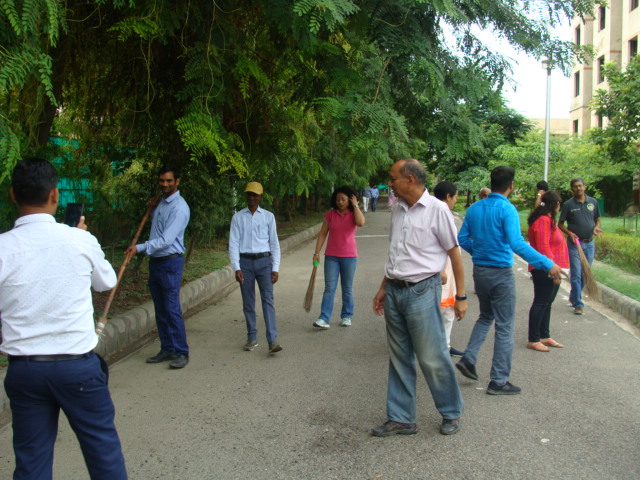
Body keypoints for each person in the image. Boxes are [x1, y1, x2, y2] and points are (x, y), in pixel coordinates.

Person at [0, 158, 127, 479]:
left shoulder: (2, 248)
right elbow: (107, 283)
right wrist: (80, 238)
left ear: (13, 195)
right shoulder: (79, 240)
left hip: (25, 371)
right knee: (103, 452)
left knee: (31, 462)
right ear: (55, 195)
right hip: (78, 369)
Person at [372, 159, 467, 437]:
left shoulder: (438, 210)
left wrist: (461, 296)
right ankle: (402, 418)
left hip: (423, 291)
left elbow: (455, 255)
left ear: (410, 179)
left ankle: (451, 412)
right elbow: (396, 254)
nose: (390, 183)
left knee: (432, 355)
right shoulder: (398, 210)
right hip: (395, 291)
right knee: (399, 356)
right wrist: (383, 287)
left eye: (393, 178)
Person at [456, 166, 564, 395]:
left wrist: (479, 251)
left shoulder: (475, 208)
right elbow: (517, 243)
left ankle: (469, 358)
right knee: (505, 326)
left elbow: (462, 238)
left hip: (481, 271)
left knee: (486, 316)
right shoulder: (507, 209)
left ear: (492, 182)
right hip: (501, 274)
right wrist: (547, 263)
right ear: (511, 185)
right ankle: (498, 380)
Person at [125, 166, 191, 369]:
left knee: (171, 309)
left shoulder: (179, 208)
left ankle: (181, 351)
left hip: (170, 262)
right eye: (162, 181)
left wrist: (139, 247)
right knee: (161, 309)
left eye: (169, 181)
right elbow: (159, 228)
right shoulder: (162, 203)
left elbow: (166, 240)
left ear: (177, 181)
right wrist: (152, 208)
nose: (165, 184)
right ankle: (167, 348)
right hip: (157, 262)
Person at [229, 182, 282, 353]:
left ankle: (272, 340)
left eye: (255, 195)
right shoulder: (238, 217)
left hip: (264, 262)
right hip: (245, 263)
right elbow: (234, 243)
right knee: (248, 302)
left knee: (268, 300)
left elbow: (274, 243)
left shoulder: (268, 217)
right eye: (249, 194)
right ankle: (251, 337)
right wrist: (236, 267)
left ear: (260, 197)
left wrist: (275, 267)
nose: (251, 197)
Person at [312, 186, 365, 329]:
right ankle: (324, 318)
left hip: (349, 257)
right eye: (338, 199)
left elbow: (361, 222)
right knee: (329, 288)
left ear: (350, 199)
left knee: (347, 288)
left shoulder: (354, 214)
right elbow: (323, 234)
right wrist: (316, 253)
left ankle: (347, 315)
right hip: (331, 257)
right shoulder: (330, 214)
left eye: (343, 199)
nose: (340, 202)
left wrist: (355, 205)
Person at [526, 191, 569, 352]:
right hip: (544, 268)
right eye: (559, 202)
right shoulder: (543, 221)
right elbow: (544, 247)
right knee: (541, 301)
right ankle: (533, 338)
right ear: (554, 204)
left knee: (547, 303)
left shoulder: (548, 220)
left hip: (552, 267)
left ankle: (544, 335)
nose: (560, 205)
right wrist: (552, 270)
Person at [558, 177, 602, 315]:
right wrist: (569, 233)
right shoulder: (568, 205)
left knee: (585, 273)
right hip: (574, 244)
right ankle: (578, 304)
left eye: (580, 186)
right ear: (572, 189)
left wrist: (597, 227)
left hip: (589, 243)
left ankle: (573, 296)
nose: (578, 188)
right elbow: (560, 224)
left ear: (585, 187)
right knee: (576, 274)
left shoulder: (593, 202)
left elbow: (597, 219)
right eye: (575, 186)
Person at [432, 181, 465, 358]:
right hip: (440, 271)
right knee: (442, 311)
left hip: (447, 271)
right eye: (456, 196)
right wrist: (440, 269)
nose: (455, 200)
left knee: (447, 311)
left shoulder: (441, 214)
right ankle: (438, 347)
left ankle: (445, 345)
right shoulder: (439, 215)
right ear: (448, 197)